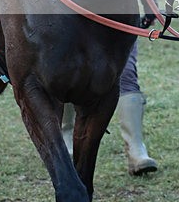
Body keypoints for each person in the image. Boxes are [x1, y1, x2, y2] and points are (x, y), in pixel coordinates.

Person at [62, 22, 158, 176]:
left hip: (117, 15)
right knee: (69, 71)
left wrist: (149, 4)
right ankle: (66, 136)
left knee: (126, 74)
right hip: (72, 14)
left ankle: (136, 149)